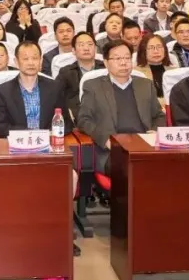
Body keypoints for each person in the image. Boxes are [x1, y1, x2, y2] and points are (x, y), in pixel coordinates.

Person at [77, 39, 165, 175]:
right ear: (106, 62)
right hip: (113, 150)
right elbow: (84, 120)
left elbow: (159, 115)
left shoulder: (145, 84)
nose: (123, 63)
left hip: (144, 147)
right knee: (137, 170)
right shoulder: (93, 86)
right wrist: (105, 139)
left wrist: (154, 132)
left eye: (127, 58)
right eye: (117, 58)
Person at [0, 42, 65, 138]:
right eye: (25, 59)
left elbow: (66, 122)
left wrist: (48, 135)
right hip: (16, 143)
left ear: (41, 61)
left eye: (35, 58)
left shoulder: (55, 87)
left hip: (48, 142)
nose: (31, 63)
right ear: (16, 62)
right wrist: (31, 134)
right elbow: (0, 128)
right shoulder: (3, 91)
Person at [57, 31, 104, 119]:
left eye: (90, 44)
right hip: (77, 118)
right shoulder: (66, 72)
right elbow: (56, 96)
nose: (86, 48)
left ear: (95, 49)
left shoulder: (105, 69)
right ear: (73, 50)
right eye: (81, 45)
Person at [135, 34, 173, 99]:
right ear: (143, 51)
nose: (156, 51)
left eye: (159, 47)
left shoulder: (174, 71)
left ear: (165, 50)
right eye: (150, 48)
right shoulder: (137, 73)